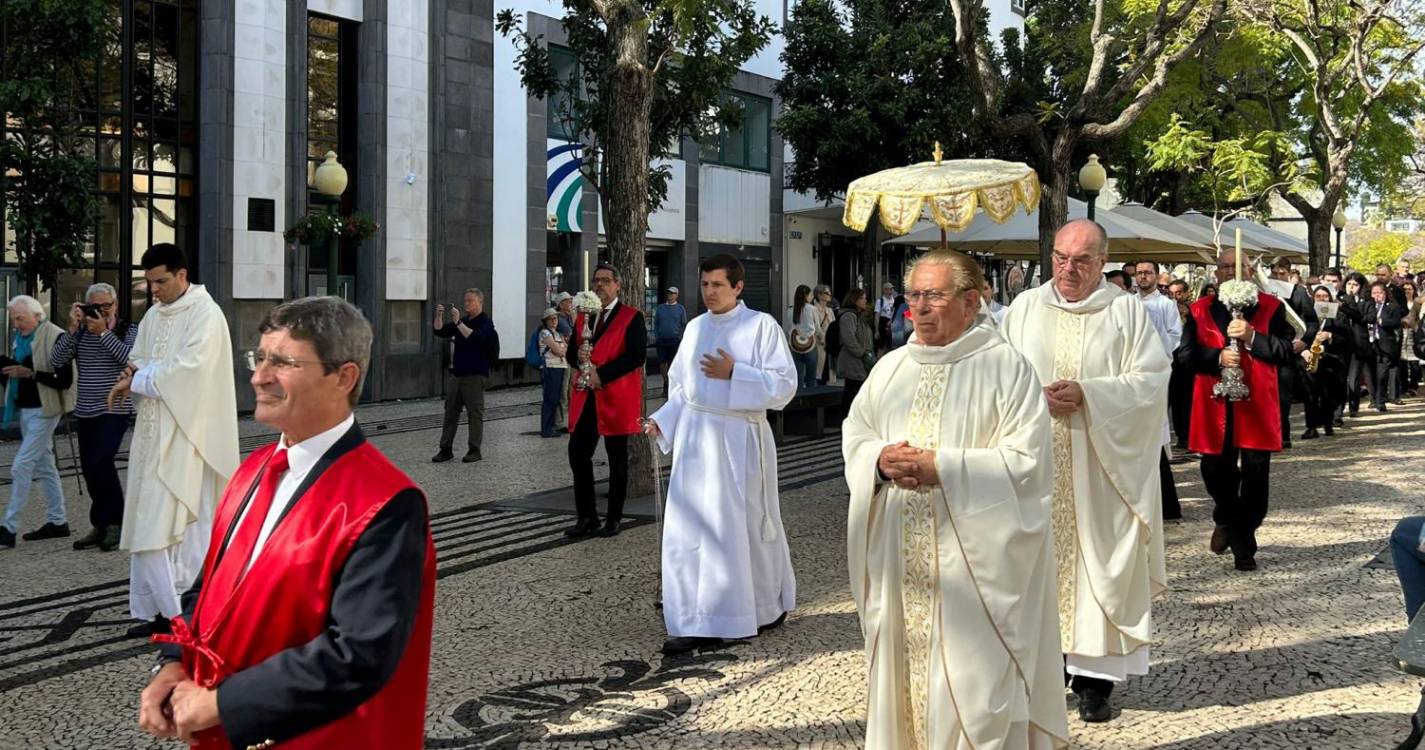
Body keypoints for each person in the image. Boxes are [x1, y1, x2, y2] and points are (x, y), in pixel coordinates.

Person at [139, 297, 434, 749]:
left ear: (343, 377)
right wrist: (175, 660)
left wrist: (224, 704)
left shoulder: (386, 503)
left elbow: (357, 655)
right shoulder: (252, 470)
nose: (258, 377)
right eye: (259, 358)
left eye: (283, 362)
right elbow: (210, 587)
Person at [843, 250, 1069, 749]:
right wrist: (878, 461)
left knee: (974, 684)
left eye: (935, 295)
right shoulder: (890, 368)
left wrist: (941, 467)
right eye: (914, 295)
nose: (920, 308)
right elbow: (856, 434)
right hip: (902, 563)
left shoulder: (1007, 369)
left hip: (975, 568)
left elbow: (1027, 464)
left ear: (971, 300)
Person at [999, 220, 1169, 723]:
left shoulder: (1126, 313)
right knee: (1032, 569)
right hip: (1035, 464)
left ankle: (1095, 683)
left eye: (1082, 261)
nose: (1068, 270)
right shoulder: (1025, 309)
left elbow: (1151, 381)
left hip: (1101, 468)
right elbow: (997, 374)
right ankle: (1042, 672)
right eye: (1060, 258)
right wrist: (1035, 398)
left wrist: (1090, 395)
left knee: (1098, 568)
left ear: (1103, 261)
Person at [644, 254, 797, 655]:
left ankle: (762, 607)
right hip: (696, 442)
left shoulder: (761, 327)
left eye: (718, 285)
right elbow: (683, 390)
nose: (709, 292)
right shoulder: (695, 329)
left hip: (738, 442)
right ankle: (696, 616)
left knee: (742, 528)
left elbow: (784, 388)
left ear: (738, 287)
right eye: (705, 284)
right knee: (691, 530)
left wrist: (737, 372)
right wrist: (664, 419)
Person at [110, 243, 240, 637]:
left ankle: (179, 611)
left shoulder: (206, 314)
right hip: (152, 435)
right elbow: (138, 358)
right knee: (147, 523)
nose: (154, 290)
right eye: (149, 283)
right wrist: (140, 373)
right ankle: (153, 610)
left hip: (189, 436)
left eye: (161, 281)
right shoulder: (152, 315)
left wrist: (142, 376)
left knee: (180, 525)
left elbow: (193, 369)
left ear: (182, 275)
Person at [1177, 248, 1295, 573]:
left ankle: (1243, 545)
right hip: (1214, 403)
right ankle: (1227, 519)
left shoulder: (1271, 307)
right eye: (1225, 267)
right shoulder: (1200, 310)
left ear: (1249, 270)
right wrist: (1216, 358)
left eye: (1237, 266)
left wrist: (1254, 337)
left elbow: (1286, 351)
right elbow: (1185, 355)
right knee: (1216, 473)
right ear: (1217, 273)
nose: (1230, 271)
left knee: (1256, 480)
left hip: (1257, 403)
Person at [52, 283, 138, 552]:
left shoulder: (127, 330)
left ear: (116, 304)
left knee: (102, 462)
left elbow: (132, 361)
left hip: (115, 408)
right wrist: (73, 329)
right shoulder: (80, 333)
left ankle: (116, 523)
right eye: (95, 307)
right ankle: (100, 523)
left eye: (106, 306)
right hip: (85, 408)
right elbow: (57, 359)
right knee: (89, 468)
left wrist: (104, 334)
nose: (101, 311)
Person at [565, 263, 646, 538]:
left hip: (615, 397)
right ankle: (587, 516)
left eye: (606, 281)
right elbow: (572, 353)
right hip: (587, 398)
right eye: (596, 281)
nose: (601, 285)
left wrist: (603, 374)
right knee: (578, 453)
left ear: (618, 285)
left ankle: (614, 518)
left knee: (617, 458)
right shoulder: (584, 316)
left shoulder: (631, 317)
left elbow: (636, 356)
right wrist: (579, 359)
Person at [0, 296, 75, 549]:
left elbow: (64, 379)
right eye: (13, 319)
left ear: (36, 315)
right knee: (45, 466)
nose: (16, 323)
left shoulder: (56, 336)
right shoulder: (21, 339)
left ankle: (8, 527)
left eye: (20, 318)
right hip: (26, 408)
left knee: (21, 465)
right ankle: (58, 521)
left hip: (47, 409)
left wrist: (29, 373)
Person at [1134, 261, 1184, 521]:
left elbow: (1175, 335)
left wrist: (1157, 349)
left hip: (1157, 371)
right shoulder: (1128, 304)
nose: (1143, 277)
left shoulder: (1166, 305)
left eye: (1147, 273)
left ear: (1156, 276)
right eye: (1139, 273)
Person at [432, 289, 499, 463]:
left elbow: (475, 338)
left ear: (480, 302)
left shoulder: (485, 322)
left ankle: (474, 449)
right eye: (465, 300)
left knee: (474, 413)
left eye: (470, 300)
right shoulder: (463, 321)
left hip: (475, 375)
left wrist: (459, 322)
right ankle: (445, 449)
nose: (466, 303)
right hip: (457, 374)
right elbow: (439, 331)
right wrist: (439, 316)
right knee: (450, 412)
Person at [1301, 285, 1349, 439]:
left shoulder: (1339, 316)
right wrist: (1305, 350)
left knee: (1329, 395)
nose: (1322, 299)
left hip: (1331, 359)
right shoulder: (1307, 315)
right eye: (1318, 297)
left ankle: (1328, 423)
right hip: (1311, 358)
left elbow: (1347, 337)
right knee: (1310, 394)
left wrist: (1330, 336)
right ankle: (1311, 427)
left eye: (1325, 297)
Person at [1366, 280, 1405, 412]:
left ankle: (1380, 401)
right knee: (1370, 373)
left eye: (1379, 292)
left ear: (1385, 293)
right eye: (1374, 293)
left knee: (1381, 374)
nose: (1376, 295)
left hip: (1385, 344)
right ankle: (1373, 398)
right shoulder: (1367, 306)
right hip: (1368, 343)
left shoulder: (1392, 306)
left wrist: (1380, 320)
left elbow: (1395, 322)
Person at [1338, 272, 1372, 418]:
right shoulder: (1339, 298)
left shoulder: (1365, 301)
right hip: (1342, 343)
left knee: (1354, 378)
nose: (1351, 287)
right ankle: (1338, 411)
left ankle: (1353, 407)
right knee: (1340, 377)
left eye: (1355, 285)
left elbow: (1368, 317)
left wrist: (1349, 304)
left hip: (1358, 344)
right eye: (1349, 284)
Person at [1167, 279, 1195, 453]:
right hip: (1172, 359)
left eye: (1178, 293)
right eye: (1172, 294)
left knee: (1187, 400)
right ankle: (1181, 436)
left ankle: (1189, 436)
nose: (1175, 297)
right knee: (1175, 400)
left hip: (1188, 360)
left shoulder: (1193, 310)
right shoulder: (1167, 308)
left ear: (1186, 293)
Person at [836, 289, 874, 411]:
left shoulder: (860, 317)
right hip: (852, 362)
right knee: (852, 394)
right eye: (862, 298)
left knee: (857, 394)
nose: (865, 300)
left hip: (859, 362)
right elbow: (849, 339)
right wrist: (862, 353)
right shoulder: (848, 316)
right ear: (855, 299)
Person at [537, 308, 568, 438]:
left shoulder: (557, 334)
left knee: (556, 398)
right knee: (550, 399)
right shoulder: (545, 333)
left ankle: (552, 427)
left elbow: (565, 348)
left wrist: (562, 348)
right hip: (551, 367)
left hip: (560, 367)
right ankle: (546, 428)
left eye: (556, 318)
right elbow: (559, 351)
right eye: (551, 318)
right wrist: (561, 348)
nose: (555, 320)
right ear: (546, 321)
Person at [653, 286, 688, 397]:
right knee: (662, 364)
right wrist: (657, 336)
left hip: (674, 341)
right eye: (668, 293)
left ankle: (672, 387)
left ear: (676, 295)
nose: (670, 295)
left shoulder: (680, 309)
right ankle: (666, 383)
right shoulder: (660, 308)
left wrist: (680, 337)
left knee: (673, 365)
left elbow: (684, 324)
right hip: (661, 341)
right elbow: (656, 323)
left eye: (672, 293)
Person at [785, 285, 820, 390]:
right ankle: (811, 404)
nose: (811, 297)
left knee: (798, 379)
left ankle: (800, 403)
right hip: (810, 346)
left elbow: (787, 329)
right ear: (806, 295)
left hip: (795, 346)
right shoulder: (812, 309)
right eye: (810, 295)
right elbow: (817, 328)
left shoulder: (790, 310)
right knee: (811, 379)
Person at [554, 291, 575, 426]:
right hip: (564, 358)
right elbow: (571, 336)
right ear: (561, 305)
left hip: (569, 357)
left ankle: (566, 419)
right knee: (564, 390)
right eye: (568, 301)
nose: (570, 304)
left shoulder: (567, 317)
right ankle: (560, 421)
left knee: (569, 389)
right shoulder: (560, 319)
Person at [812, 284, 835, 385]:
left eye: (830, 292)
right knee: (819, 374)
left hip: (830, 346)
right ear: (819, 295)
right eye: (826, 293)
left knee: (828, 375)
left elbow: (834, 326)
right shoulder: (813, 310)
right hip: (819, 345)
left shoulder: (830, 310)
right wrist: (823, 339)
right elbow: (815, 328)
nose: (829, 294)